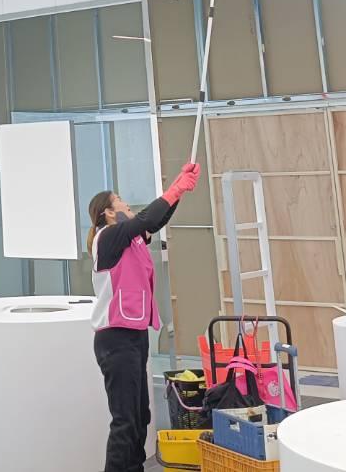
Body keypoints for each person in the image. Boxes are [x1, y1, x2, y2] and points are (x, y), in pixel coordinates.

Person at [87, 162, 201, 472]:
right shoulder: (108, 237)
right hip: (115, 339)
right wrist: (175, 188)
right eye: (120, 200)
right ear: (108, 213)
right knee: (125, 421)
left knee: (140, 416)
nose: (126, 204)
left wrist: (180, 188)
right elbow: (146, 218)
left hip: (135, 335)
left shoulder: (132, 239)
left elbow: (157, 219)